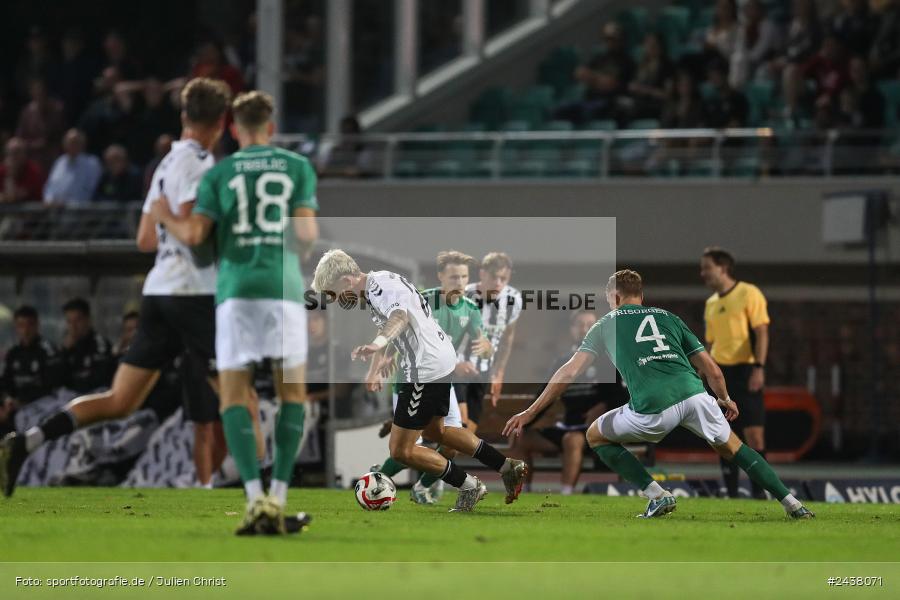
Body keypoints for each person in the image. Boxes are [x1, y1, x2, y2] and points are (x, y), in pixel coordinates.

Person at [0, 78, 231, 499]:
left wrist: (166, 219)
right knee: (239, 391)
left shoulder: (163, 165)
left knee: (121, 399)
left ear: (183, 116)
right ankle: (256, 497)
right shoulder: (201, 164)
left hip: (159, 290)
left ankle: (27, 441)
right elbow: (192, 226)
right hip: (192, 291)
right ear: (221, 122)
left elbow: (145, 239)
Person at [503, 270, 813, 520]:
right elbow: (712, 370)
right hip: (695, 395)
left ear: (614, 297)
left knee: (595, 435)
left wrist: (530, 412)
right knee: (734, 446)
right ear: (642, 296)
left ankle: (657, 495)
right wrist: (725, 398)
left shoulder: (605, 324)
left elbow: (568, 372)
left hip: (653, 408)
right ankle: (792, 503)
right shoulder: (669, 318)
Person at [149, 90, 318, 534]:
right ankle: (278, 497)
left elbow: (195, 235)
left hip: (236, 292)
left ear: (235, 129)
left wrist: (163, 214)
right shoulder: (297, 168)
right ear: (272, 127)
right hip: (282, 290)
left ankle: (252, 500)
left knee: (232, 397)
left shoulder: (219, 174)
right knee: (291, 397)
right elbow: (306, 236)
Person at [311, 250, 527, 512]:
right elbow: (400, 318)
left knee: (401, 450)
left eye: (333, 293)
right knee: (437, 432)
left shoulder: (379, 288)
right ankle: (507, 466)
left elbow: (399, 317)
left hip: (424, 369)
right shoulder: (379, 282)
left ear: (346, 280)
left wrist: (377, 344)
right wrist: (380, 360)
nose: (335, 300)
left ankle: (469, 486)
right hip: (439, 359)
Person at [373, 250, 495, 504]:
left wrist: (486, 346)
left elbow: (484, 343)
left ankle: (422, 487)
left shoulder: (471, 309)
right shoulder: (423, 301)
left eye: (463, 277)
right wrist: (383, 358)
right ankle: (378, 479)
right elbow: (397, 326)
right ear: (440, 277)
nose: (459, 282)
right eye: (453, 277)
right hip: (411, 379)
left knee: (453, 441)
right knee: (406, 448)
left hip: (442, 379)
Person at [510, 310, 623, 495]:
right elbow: (545, 396)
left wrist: (603, 407)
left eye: (590, 326)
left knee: (572, 440)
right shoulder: (562, 362)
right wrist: (524, 422)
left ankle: (566, 493)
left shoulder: (608, 361)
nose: (584, 329)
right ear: (572, 329)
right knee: (521, 439)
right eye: (580, 325)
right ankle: (524, 491)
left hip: (596, 431)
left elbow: (622, 396)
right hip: (567, 426)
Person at [700, 247, 771, 499]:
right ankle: (730, 494)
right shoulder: (710, 303)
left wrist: (759, 368)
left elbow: (761, 331)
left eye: (707, 267)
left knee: (754, 434)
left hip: (745, 370)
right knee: (724, 435)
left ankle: (760, 494)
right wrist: (704, 372)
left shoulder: (748, 293)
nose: (703, 273)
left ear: (723, 268)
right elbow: (709, 344)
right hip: (721, 373)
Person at [461, 252, 522, 431]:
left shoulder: (513, 300)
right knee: (457, 426)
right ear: (482, 274)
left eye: (504, 278)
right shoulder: (464, 296)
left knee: (467, 432)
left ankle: (441, 459)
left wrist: (498, 373)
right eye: (494, 277)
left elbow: (507, 338)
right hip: (455, 370)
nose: (498, 283)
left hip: (483, 371)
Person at [0, 306, 65, 406]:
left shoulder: (48, 351)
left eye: (29, 325)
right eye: (21, 325)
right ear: (16, 327)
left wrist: (22, 400)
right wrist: (7, 400)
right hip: (16, 406)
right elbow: (5, 383)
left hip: (45, 405)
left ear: (37, 325)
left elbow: (52, 385)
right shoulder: (13, 352)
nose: (25, 330)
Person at [59, 298, 115, 394]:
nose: (73, 326)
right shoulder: (66, 346)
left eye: (77, 320)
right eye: (69, 321)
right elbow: (58, 379)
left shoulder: (100, 345)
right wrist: (65, 353)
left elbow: (101, 379)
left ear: (88, 320)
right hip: (70, 396)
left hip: (94, 395)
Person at [43, 129, 102, 205]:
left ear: (82, 144)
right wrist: (49, 200)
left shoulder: (92, 164)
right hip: (56, 212)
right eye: (69, 142)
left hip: (80, 213)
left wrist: (68, 204)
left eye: (75, 142)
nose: (72, 145)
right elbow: (50, 186)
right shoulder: (60, 162)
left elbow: (91, 191)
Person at [0, 137, 44, 203]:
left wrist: (10, 175)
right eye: (9, 153)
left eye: (16, 153)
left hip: (32, 212)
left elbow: (12, 197)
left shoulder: (33, 170)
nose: (12, 156)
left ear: (24, 154)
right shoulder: (2, 169)